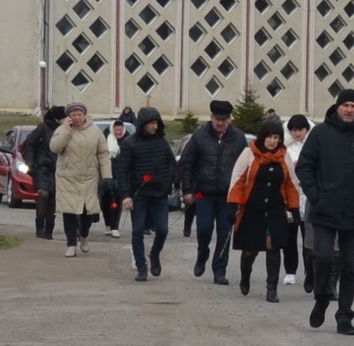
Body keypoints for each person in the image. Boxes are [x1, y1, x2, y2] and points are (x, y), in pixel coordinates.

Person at [295, 89, 354, 337]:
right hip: (324, 209)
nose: (349, 109)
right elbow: (304, 167)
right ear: (337, 107)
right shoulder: (320, 134)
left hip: (353, 211)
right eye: (345, 105)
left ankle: (344, 316)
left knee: (350, 267)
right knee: (323, 257)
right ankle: (322, 296)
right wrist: (316, 195)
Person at [227, 116, 301, 301]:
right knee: (251, 249)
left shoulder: (284, 156)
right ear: (262, 137)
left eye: (276, 138)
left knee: (273, 245)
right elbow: (238, 180)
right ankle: (245, 276)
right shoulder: (249, 153)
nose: (272, 141)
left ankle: (271, 289)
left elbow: (292, 183)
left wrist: (294, 208)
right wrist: (233, 204)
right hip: (252, 207)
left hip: (276, 208)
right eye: (269, 137)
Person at [177, 100, 248, 284]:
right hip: (204, 194)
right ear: (211, 118)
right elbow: (187, 164)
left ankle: (219, 271)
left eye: (224, 119)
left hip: (228, 196)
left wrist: (242, 195)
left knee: (225, 233)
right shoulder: (199, 136)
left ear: (229, 119)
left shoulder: (239, 138)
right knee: (204, 229)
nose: (220, 123)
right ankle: (203, 253)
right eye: (217, 119)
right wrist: (186, 190)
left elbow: (245, 168)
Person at [118, 106, 176, 282]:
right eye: (151, 123)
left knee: (163, 230)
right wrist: (126, 195)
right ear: (143, 124)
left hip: (160, 194)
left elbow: (171, 163)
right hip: (139, 194)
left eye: (156, 123)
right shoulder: (130, 144)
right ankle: (141, 267)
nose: (155, 127)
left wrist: (169, 181)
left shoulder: (162, 142)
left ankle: (155, 254)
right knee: (137, 232)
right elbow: (122, 171)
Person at [48, 102, 112, 258]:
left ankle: (84, 236)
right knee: (69, 212)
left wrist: (107, 175)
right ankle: (71, 244)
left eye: (79, 115)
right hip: (67, 177)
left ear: (84, 115)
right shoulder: (62, 130)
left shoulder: (95, 131)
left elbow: (103, 154)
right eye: (73, 115)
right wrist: (66, 131)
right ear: (69, 117)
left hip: (89, 177)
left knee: (87, 211)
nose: (77, 118)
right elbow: (54, 148)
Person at [24, 106, 66, 240]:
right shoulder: (43, 128)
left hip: (58, 169)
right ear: (58, 118)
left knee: (53, 199)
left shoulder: (66, 130)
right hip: (43, 167)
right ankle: (40, 227)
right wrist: (30, 162)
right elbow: (29, 142)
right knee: (43, 194)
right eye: (65, 117)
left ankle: (49, 230)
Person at [282, 114, 311, 289]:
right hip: (290, 195)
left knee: (309, 238)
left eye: (300, 130)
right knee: (289, 237)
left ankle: (310, 272)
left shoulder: (313, 145)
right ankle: (290, 271)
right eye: (293, 130)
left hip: (307, 196)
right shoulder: (284, 147)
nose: (297, 134)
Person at [98, 110, 132, 238]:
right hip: (105, 176)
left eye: (120, 130)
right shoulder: (104, 140)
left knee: (116, 202)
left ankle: (114, 227)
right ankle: (107, 224)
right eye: (116, 129)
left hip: (120, 176)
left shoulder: (128, 141)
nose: (118, 132)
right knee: (105, 202)